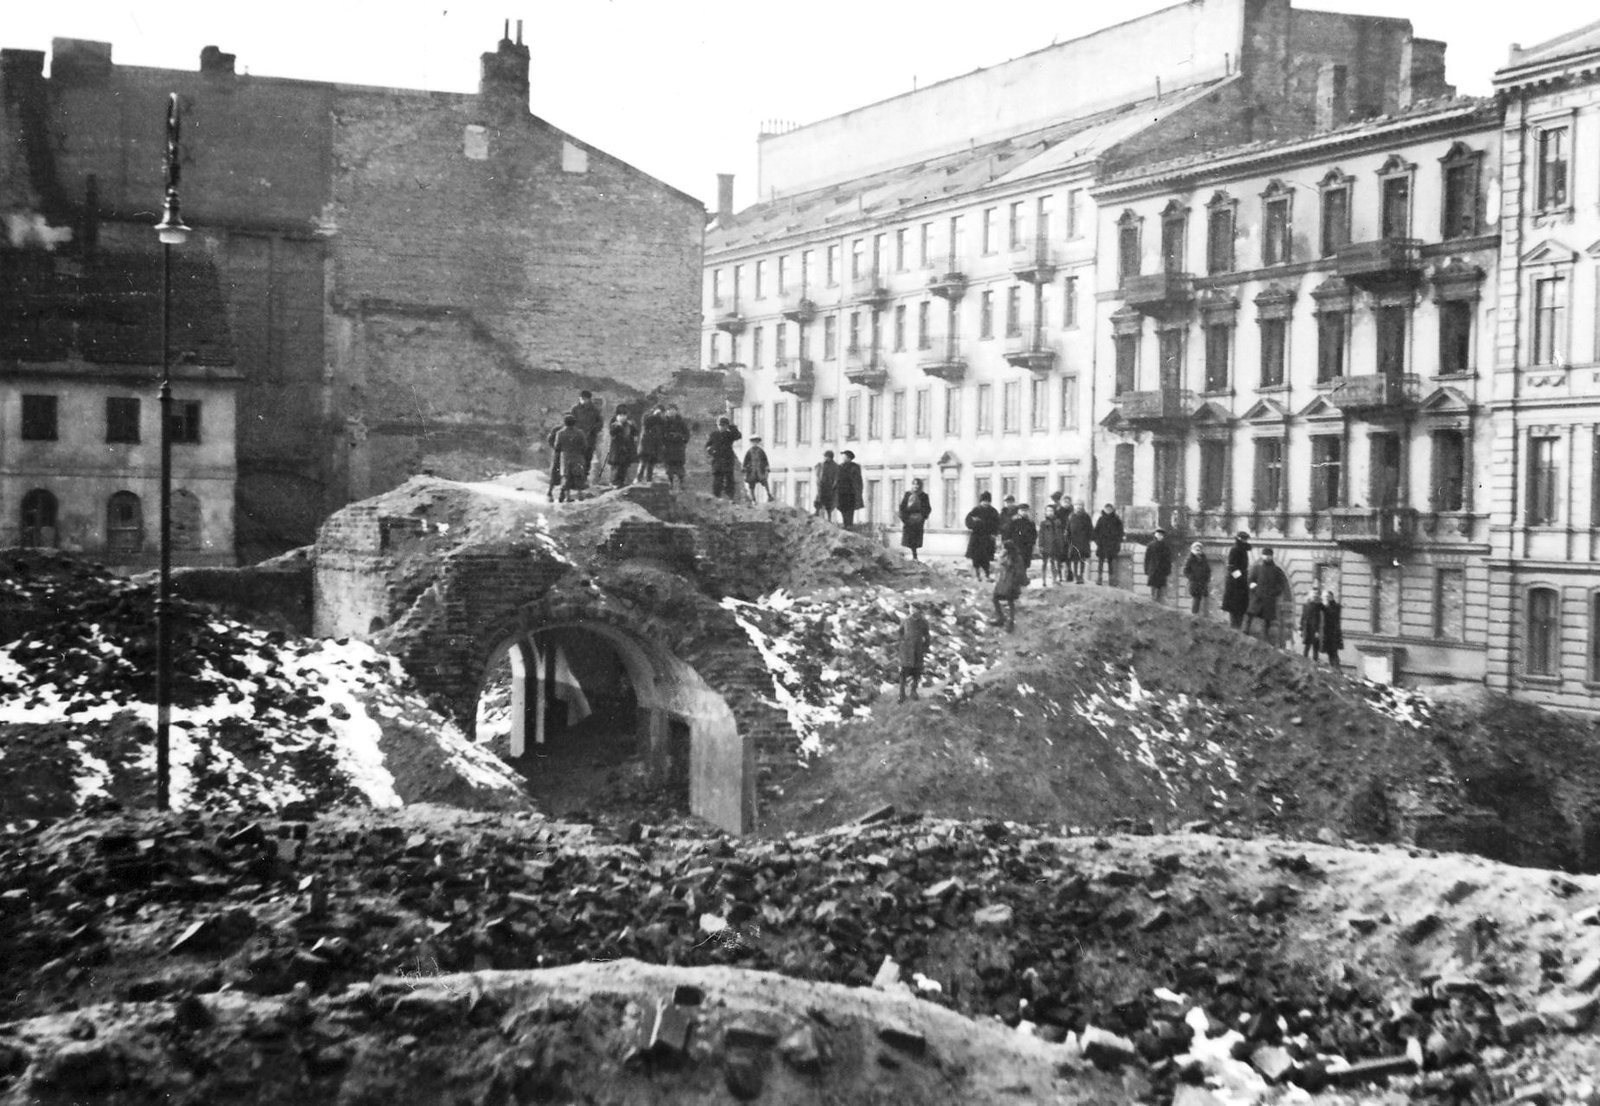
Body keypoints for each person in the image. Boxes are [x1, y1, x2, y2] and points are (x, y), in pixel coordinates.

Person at [1245, 545, 1291, 646]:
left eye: (1269, 555)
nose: (1267, 557)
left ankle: (1265, 641)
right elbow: (1250, 580)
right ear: (1262, 556)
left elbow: (1282, 584)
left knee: (1267, 621)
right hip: (1257, 597)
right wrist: (1254, 588)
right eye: (1265, 555)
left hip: (1269, 599)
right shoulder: (1257, 568)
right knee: (1250, 615)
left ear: (1272, 557)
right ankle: (1245, 634)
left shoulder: (1276, 570)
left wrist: (1275, 592)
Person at [897, 603, 932, 702]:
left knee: (917, 672)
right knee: (904, 672)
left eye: (914, 609)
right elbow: (900, 632)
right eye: (911, 608)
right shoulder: (906, 620)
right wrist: (902, 643)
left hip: (918, 650)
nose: (911, 610)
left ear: (918, 610)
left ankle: (913, 691)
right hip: (907, 650)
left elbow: (927, 635)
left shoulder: (923, 621)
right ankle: (901, 694)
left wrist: (925, 647)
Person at [551, 414, 589, 503]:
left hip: (565, 458)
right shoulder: (580, 433)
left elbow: (557, 447)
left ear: (565, 423)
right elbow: (585, 446)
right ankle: (580, 495)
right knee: (578, 476)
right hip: (578, 457)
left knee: (567, 477)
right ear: (574, 423)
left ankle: (567, 496)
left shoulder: (560, 433)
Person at [569, 390, 604, 481]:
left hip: (590, 439)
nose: (582, 400)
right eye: (581, 399)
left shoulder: (595, 410)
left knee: (588, 458)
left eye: (584, 399)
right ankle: (575, 479)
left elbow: (600, 423)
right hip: (577, 439)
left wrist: (594, 430)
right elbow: (571, 422)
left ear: (589, 399)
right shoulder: (575, 409)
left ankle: (584, 478)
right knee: (577, 459)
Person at [965, 492, 1001, 581]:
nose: (986, 503)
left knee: (986, 558)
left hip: (988, 538)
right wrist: (974, 523)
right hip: (976, 538)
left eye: (988, 501)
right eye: (984, 501)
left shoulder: (993, 511)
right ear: (981, 501)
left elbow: (997, 524)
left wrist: (994, 534)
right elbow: (968, 521)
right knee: (976, 558)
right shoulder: (975, 510)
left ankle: (987, 574)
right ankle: (977, 575)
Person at [1221, 531, 1252, 630]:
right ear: (1239, 539)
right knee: (1234, 610)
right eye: (1243, 539)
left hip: (1241, 583)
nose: (1245, 541)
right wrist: (1240, 578)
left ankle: (1237, 629)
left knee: (1240, 609)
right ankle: (1234, 629)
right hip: (1234, 585)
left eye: (1246, 539)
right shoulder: (1235, 550)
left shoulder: (1243, 550)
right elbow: (1232, 567)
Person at [705, 416, 742, 500]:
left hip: (728, 460)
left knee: (729, 480)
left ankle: (730, 498)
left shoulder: (729, 435)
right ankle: (716, 497)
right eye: (719, 425)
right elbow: (708, 445)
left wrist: (732, 427)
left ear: (726, 426)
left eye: (723, 425)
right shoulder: (714, 434)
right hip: (717, 460)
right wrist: (711, 451)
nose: (721, 427)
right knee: (717, 480)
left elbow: (739, 436)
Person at [993, 539, 1026, 631]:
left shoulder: (1016, 558)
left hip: (1011, 582)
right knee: (996, 598)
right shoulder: (1007, 556)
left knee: (1010, 601)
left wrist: (1015, 581)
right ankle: (1002, 618)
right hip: (1004, 581)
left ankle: (1010, 621)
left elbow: (1019, 571)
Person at [898, 478, 932, 561]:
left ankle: (915, 556)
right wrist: (905, 518)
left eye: (917, 484)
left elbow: (928, 508)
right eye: (914, 484)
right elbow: (902, 507)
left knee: (915, 540)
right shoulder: (908, 494)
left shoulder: (924, 496)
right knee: (907, 540)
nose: (916, 486)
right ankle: (908, 556)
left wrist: (922, 517)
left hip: (918, 521)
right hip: (909, 521)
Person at [604, 406, 638, 487]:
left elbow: (635, 433)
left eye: (624, 415)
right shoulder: (614, 423)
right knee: (616, 466)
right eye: (620, 415)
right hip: (617, 449)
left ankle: (621, 482)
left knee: (624, 466)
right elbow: (612, 433)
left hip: (626, 449)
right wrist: (618, 426)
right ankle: (614, 482)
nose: (623, 417)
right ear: (617, 416)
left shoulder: (629, 424)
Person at [1092, 504, 1124, 586]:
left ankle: (1112, 580)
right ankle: (1099, 578)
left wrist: (1117, 542)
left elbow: (1121, 532)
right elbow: (1096, 532)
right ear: (1104, 509)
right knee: (1100, 562)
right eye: (1107, 509)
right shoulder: (1101, 519)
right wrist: (1098, 542)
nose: (1108, 510)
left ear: (1112, 510)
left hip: (1112, 545)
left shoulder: (1117, 520)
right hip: (1102, 545)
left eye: (1110, 509)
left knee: (1111, 563)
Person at [660, 404, 691, 490]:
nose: (671, 411)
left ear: (676, 411)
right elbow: (660, 435)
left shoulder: (681, 423)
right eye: (669, 410)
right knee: (669, 467)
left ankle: (682, 483)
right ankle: (670, 483)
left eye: (673, 409)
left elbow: (687, 435)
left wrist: (680, 437)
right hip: (668, 448)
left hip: (678, 448)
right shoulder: (663, 422)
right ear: (666, 412)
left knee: (680, 467)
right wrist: (665, 440)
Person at [1037, 499, 1067, 586]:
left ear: (1054, 512)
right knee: (1045, 563)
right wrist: (1040, 545)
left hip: (1056, 545)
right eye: (1048, 511)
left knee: (1055, 562)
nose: (1050, 512)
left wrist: (1061, 544)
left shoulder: (1058, 522)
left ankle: (1055, 579)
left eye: (1051, 510)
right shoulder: (1043, 523)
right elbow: (1041, 535)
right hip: (1046, 545)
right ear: (1045, 512)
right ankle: (1043, 580)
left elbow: (1061, 534)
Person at [1001, 503, 1038, 570]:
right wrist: (1007, 543)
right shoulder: (1013, 521)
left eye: (1026, 510)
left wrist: (1033, 543)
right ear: (1018, 511)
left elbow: (1034, 534)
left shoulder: (1030, 522)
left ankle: (1023, 577)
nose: (1024, 512)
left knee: (1025, 563)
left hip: (1027, 547)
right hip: (1016, 546)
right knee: (1016, 564)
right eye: (1022, 510)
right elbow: (1007, 533)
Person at [636, 403, 666, 483]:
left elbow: (663, 427)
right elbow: (645, 423)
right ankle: (638, 479)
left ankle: (649, 480)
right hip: (646, 444)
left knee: (651, 464)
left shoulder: (661, 420)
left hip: (655, 445)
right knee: (643, 463)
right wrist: (654, 415)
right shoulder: (647, 416)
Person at [1065, 502, 1093, 584]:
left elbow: (1090, 529)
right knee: (1075, 560)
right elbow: (1067, 529)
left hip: (1084, 542)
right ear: (1074, 507)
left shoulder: (1086, 517)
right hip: (1073, 542)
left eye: (1080, 505)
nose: (1078, 507)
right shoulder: (1071, 516)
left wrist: (1089, 539)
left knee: (1082, 559)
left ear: (1082, 506)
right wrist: (1068, 539)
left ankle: (1081, 576)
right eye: (1076, 505)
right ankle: (1076, 577)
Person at [1182, 541, 1212, 616]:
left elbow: (1208, 570)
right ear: (1193, 549)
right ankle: (1194, 615)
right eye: (1196, 549)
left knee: (1204, 599)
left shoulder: (1204, 559)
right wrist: (1192, 577)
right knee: (1196, 599)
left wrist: (1207, 578)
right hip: (1194, 583)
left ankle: (1204, 616)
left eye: (1200, 549)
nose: (1198, 550)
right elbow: (1185, 571)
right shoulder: (1190, 559)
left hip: (1203, 583)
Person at [836, 450, 864, 529]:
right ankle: (846, 525)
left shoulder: (854, 467)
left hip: (850, 493)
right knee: (842, 509)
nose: (843, 458)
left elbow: (857, 481)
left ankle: (849, 525)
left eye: (844, 456)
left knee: (849, 511)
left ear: (848, 458)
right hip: (841, 493)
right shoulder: (840, 467)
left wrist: (857, 493)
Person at [1144, 527, 1173, 603]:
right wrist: (1146, 569)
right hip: (1153, 569)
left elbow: (1168, 560)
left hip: (1162, 570)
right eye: (1158, 534)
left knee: (1160, 587)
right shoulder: (1150, 545)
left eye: (1161, 535)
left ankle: (1158, 601)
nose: (1160, 536)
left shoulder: (1166, 547)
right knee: (1153, 586)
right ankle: (1153, 600)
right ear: (1155, 535)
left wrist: (1168, 570)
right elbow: (1147, 559)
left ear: (1163, 536)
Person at [742, 436, 771, 502]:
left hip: (760, 470)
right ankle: (753, 499)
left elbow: (765, 460)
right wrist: (744, 469)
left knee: (764, 481)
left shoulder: (761, 451)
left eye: (756, 442)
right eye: (753, 442)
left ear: (758, 443)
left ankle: (769, 494)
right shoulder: (749, 452)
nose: (755, 443)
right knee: (751, 485)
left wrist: (767, 468)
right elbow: (745, 461)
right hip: (752, 471)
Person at [1300, 589, 1326, 661]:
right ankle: (1304, 663)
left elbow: (1319, 619)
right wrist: (1301, 629)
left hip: (1315, 631)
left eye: (1316, 594)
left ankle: (1315, 665)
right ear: (1310, 595)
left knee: (1315, 650)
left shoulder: (1319, 606)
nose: (1315, 596)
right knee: (1306, 648)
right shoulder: (1305, 605)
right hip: (1308, 630)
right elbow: (1303, 617)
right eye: (1313, 594)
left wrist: (1317, 631)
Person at [1321, 589, 1344, 669]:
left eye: (1327, 596)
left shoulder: (1336, 606)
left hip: (1333, 634)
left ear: (1331, 597)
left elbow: (1333, 616)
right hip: (1326, 633)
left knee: (1333, 652)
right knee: (1330, 652)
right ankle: (1333, 667)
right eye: (1324, 597)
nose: (1325, 598)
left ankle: (1336, 668)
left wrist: (1327, 606)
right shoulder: (1324, 606)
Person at [814, 451, 840, 520]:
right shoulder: (822, 464)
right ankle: (817, 511)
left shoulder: (835, 466)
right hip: (822, 485)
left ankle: (829, 517)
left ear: (829, 457)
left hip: (829, 486)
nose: (825, 458)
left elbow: (836, 477)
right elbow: (818, 473)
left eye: (826, 456)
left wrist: (834, 485)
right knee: (819, 499)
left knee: (829, 502)